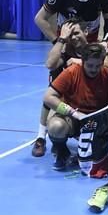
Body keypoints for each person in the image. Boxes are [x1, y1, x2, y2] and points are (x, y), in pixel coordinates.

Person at [43, 43, 108, 171]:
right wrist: (74, 113)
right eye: (90, 65)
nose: (94, 69)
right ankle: (62, 152)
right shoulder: (72, 72)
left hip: (98, 120)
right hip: (74, 118)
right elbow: (48, 97)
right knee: (55, 126)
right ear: (82, 61)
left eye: (98, 66)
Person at [31, 18, 89, 157]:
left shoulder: (96, 49)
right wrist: (62, 39)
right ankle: (43, 138)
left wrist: (80, 62)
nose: (73, 38)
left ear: (86, 31)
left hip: (91, 101)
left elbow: (106, 64)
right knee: (55, 122)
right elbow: (50, 64)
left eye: (76, 33)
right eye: (70, 35)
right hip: (68, 102)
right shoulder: (65, 53)